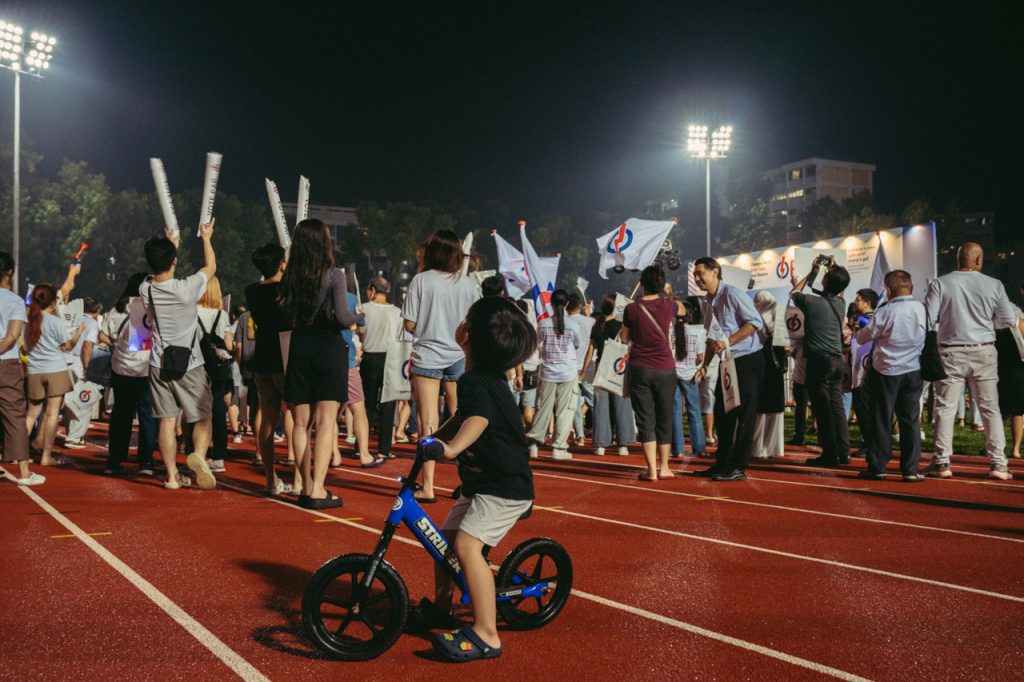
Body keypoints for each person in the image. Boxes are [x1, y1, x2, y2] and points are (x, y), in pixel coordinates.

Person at [422, 295, 537, 662]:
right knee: (446, 542)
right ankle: (443, 608)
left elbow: (478, 420)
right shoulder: (481, 378)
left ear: (466, 335)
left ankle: (487, 633)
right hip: (484, 483)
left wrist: (451, 449)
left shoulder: (474, 383)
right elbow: (464, 417)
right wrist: (437, 436)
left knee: (467, 547)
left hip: (504, 487)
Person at [279, 219, 363, 508]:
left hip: (300, 346)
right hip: (328, 348)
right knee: (327, 422)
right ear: (324, 243)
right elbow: (342, 318)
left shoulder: (290, 274)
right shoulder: (334, 275)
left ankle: (303, 484)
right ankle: (318, 488)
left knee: (300, 424)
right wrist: (358, 315)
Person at [925, 242, 1017, 480]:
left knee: (945, 409)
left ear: (958, 260)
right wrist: (985, 326)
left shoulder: (941, 283)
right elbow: (1007, 320)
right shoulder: (993, 284)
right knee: (989, 409)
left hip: (950, 350)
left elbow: (928, 319)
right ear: (979, 261)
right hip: (983, 349)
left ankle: (942, 462)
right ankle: (999, 464)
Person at [402, 229, 480, 502]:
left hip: (427, 356)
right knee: (462, 419)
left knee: (428, 421)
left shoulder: (421, 280)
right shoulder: (468, 283)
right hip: (458, 355)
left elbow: (409, 324)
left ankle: (428, 486)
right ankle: (467, 481)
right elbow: (474, 321)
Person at [139, 223, 217, 491]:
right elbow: (210, 268)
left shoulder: (145, 289)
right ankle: (199, 455)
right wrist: (206, 238)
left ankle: (172, 477)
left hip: (158, 363)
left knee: (167, 420)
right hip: (190, 363)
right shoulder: (187, 288)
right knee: (203, 416)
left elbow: (161, 271)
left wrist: (173, 244)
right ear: (174, 261)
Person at [692, 257, 764, 481]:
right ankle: (722, 462)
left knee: (743, 414)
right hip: (727, 361)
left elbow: (755, 322)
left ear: (715, 272)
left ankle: (738, 466)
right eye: (695, 274)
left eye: (701, 273)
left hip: (748, 358)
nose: (697, 278)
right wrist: (704, 366)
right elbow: (711, 336)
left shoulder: (732, 293)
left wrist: (728, 341)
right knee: (723, 413)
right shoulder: (707, 302)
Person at [856, 270, 927, 481]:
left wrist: (859, 329)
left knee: (881, 419)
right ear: (911, 287)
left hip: (886, 370)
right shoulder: (921, 308)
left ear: (888, 290)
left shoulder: (885, 311)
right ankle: (911, 469)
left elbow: (863, 338)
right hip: (913, 369)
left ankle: (878, 467)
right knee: (910, 421)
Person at [620, 267, 685, 480]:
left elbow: (623, 338)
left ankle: (651, 470)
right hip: (665, 367)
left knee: (645, 418)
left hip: (640, 366)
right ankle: (665, 467)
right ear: (662, 284)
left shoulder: (632, 308)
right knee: (665, 416)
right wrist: (669, 293)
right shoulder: (669, 304)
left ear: (642, 283)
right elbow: (684, 310)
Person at [790, 256, 851, 468]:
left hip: (819, 362)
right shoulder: (841, 303)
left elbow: (794, 292)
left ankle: (829, 454)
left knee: (822, 410)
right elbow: (838, 288)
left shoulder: (811, 302)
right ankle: (844, 453)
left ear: (826, 281)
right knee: (837, 409)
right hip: (837, 361)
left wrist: (812, 271)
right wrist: (832, 270)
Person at [244, 242, 295, 496]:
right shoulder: (288, 289)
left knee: (267, 419)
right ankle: (301, 480)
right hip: (287, 358)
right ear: (281, 264)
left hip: (263, 358)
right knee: (297, 418)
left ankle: (270, 478)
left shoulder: (252, 291)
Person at [104, 273, 157, 476]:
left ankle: (114, 460)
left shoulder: (115, 311)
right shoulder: (151, 311)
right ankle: (146, 462)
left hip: (121, 368)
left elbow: (108, 336)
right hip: (145, 369)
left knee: (121, 414)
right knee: (147, 416)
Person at [23, 284, 82, 467]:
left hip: (34, 370)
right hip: (55, 369)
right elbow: (68, 346)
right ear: (54, 302)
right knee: (52, 414)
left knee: (31, 414)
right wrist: (79, 332)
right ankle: (46, 457)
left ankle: (19, 453)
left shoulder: (28, 320)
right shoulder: (54, 321)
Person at [0, 251, 44, 485]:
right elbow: (12, 337)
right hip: (5, 363)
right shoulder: (14, 301)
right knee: (14, 416)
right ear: (9, 273)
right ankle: (24, 473)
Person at [526, 290, 581, 461]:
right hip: (567, 371)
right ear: (566, 304)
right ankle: (558, 447)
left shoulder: (543, 323)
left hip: (548, 371)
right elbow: (577, 344)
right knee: (565, 410)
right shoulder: (573, 325)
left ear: (551, 304)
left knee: (543, 408)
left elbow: (537, 342)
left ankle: (534, 444)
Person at [583, 293, 636, 456]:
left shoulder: (597, 325)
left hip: (601, 367)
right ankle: (623, 444)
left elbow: (590, 351)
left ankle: (601, 444)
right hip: (617, 368)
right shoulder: (620, 325)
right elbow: (629, 344)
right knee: (621, 405)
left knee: (601, 407)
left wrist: (583, 371)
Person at [192, 275, 233, 474]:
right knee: (218, 410)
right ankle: (218, 457)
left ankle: (195, 451)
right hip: (217, 366)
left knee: (195, 408)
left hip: (197, 363)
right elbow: (229, 343)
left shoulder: (192, 312)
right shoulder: (221, 314)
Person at [359, 276, 403, 459]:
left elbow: (360, 332)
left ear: (372, 290)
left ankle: (361, 447)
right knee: (388, 404)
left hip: (370, 358)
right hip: (391, 358)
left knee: (367, 404)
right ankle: (384, 449)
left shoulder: (364, 309)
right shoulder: (397, 312)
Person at [62, 297, 102, 449]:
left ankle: (70, 433)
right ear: (97, 310)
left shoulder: (71, 319)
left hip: (63, 360)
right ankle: (74, 437)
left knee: (69, 400)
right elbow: (87, 346)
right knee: (83, 400)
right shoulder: (92, 323)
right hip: (78, 362)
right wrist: (87, 368)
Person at [671, 296, 707, 458]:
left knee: (675, 411)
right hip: (690, 374)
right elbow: (700, 356)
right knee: (694, 411)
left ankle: (677, 449)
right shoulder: (696, 332)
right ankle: (699, 447)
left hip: (672, 374)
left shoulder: (669, 331)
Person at [752, 291, 785, 459]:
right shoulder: (780, 319)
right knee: (771, 408)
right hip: (776, 368)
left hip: (764, 365)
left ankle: (759, 448)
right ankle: (771, 448)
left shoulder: (757, 319)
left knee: (763, 408)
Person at [849, 288, 879, 455]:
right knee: (862, 410)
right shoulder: (860, 319)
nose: (855, 302)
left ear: (867, 303)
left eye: (858, 299)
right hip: (857, 370)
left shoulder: (870, 319)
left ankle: (871, 444)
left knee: (866, 410)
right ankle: (868, 442)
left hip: (865, 371)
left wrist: (857, 321)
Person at [566, 293, 595, 447]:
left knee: (575, 403)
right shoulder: (591, 321)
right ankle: (602, 432)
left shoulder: (564, 322)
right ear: (580, 307)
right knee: (594, 401)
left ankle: (580, 435)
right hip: (588, 365)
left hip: (571, 367)